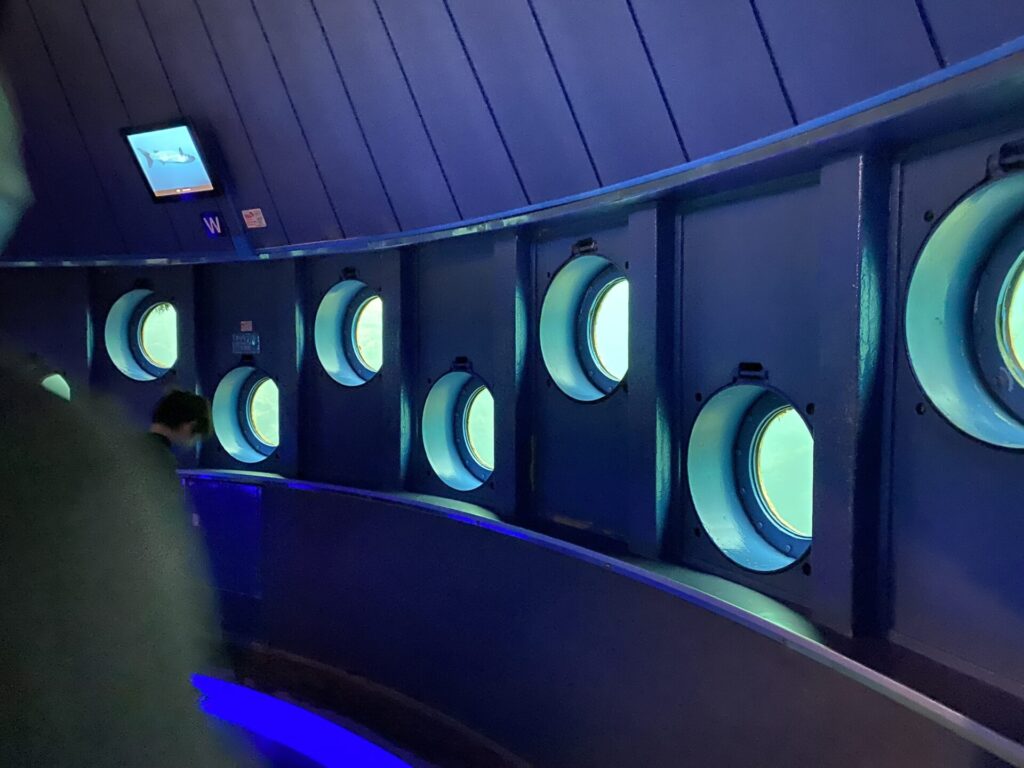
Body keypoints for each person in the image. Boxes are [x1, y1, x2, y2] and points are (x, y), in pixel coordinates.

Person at [149, 389, 213, 457]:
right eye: (196, 438)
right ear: (190, 426)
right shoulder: (162, 459)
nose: (193, 442)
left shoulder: (143, 446)